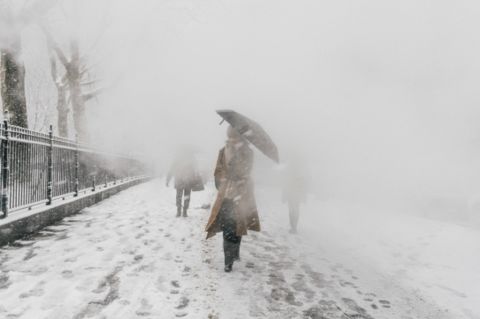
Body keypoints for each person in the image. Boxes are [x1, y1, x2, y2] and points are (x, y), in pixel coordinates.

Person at [205, 126, 260, 272]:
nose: (231, 138)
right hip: (227, 193)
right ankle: (228, 260)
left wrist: (240, 177)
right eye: (230, 135)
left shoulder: (248, 152)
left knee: (238, 225)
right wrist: (223, 181)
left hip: (242, 193)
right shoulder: (223, 151)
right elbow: (218, 170)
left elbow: (248, 170)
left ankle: (234, 253)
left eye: (234, 135)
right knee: (228, 225)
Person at [166, 149, 203, 217]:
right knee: (187, 196)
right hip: (188, 180)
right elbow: (196, 169)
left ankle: (178, 211)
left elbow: (171, 169)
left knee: (179, 196)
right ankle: (185, 211)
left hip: (179, 180)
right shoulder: (192, 158)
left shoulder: (177, 158)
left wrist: (168, 180)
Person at [282, 162, 308, 234]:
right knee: (294, 211)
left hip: (293, 196)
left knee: (292, 211)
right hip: (295, 196)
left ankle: (293, 227)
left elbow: (286, 186)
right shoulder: (299, 177)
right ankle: (294, 227)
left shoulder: (290, 176)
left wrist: (284, 196)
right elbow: (303, 188)